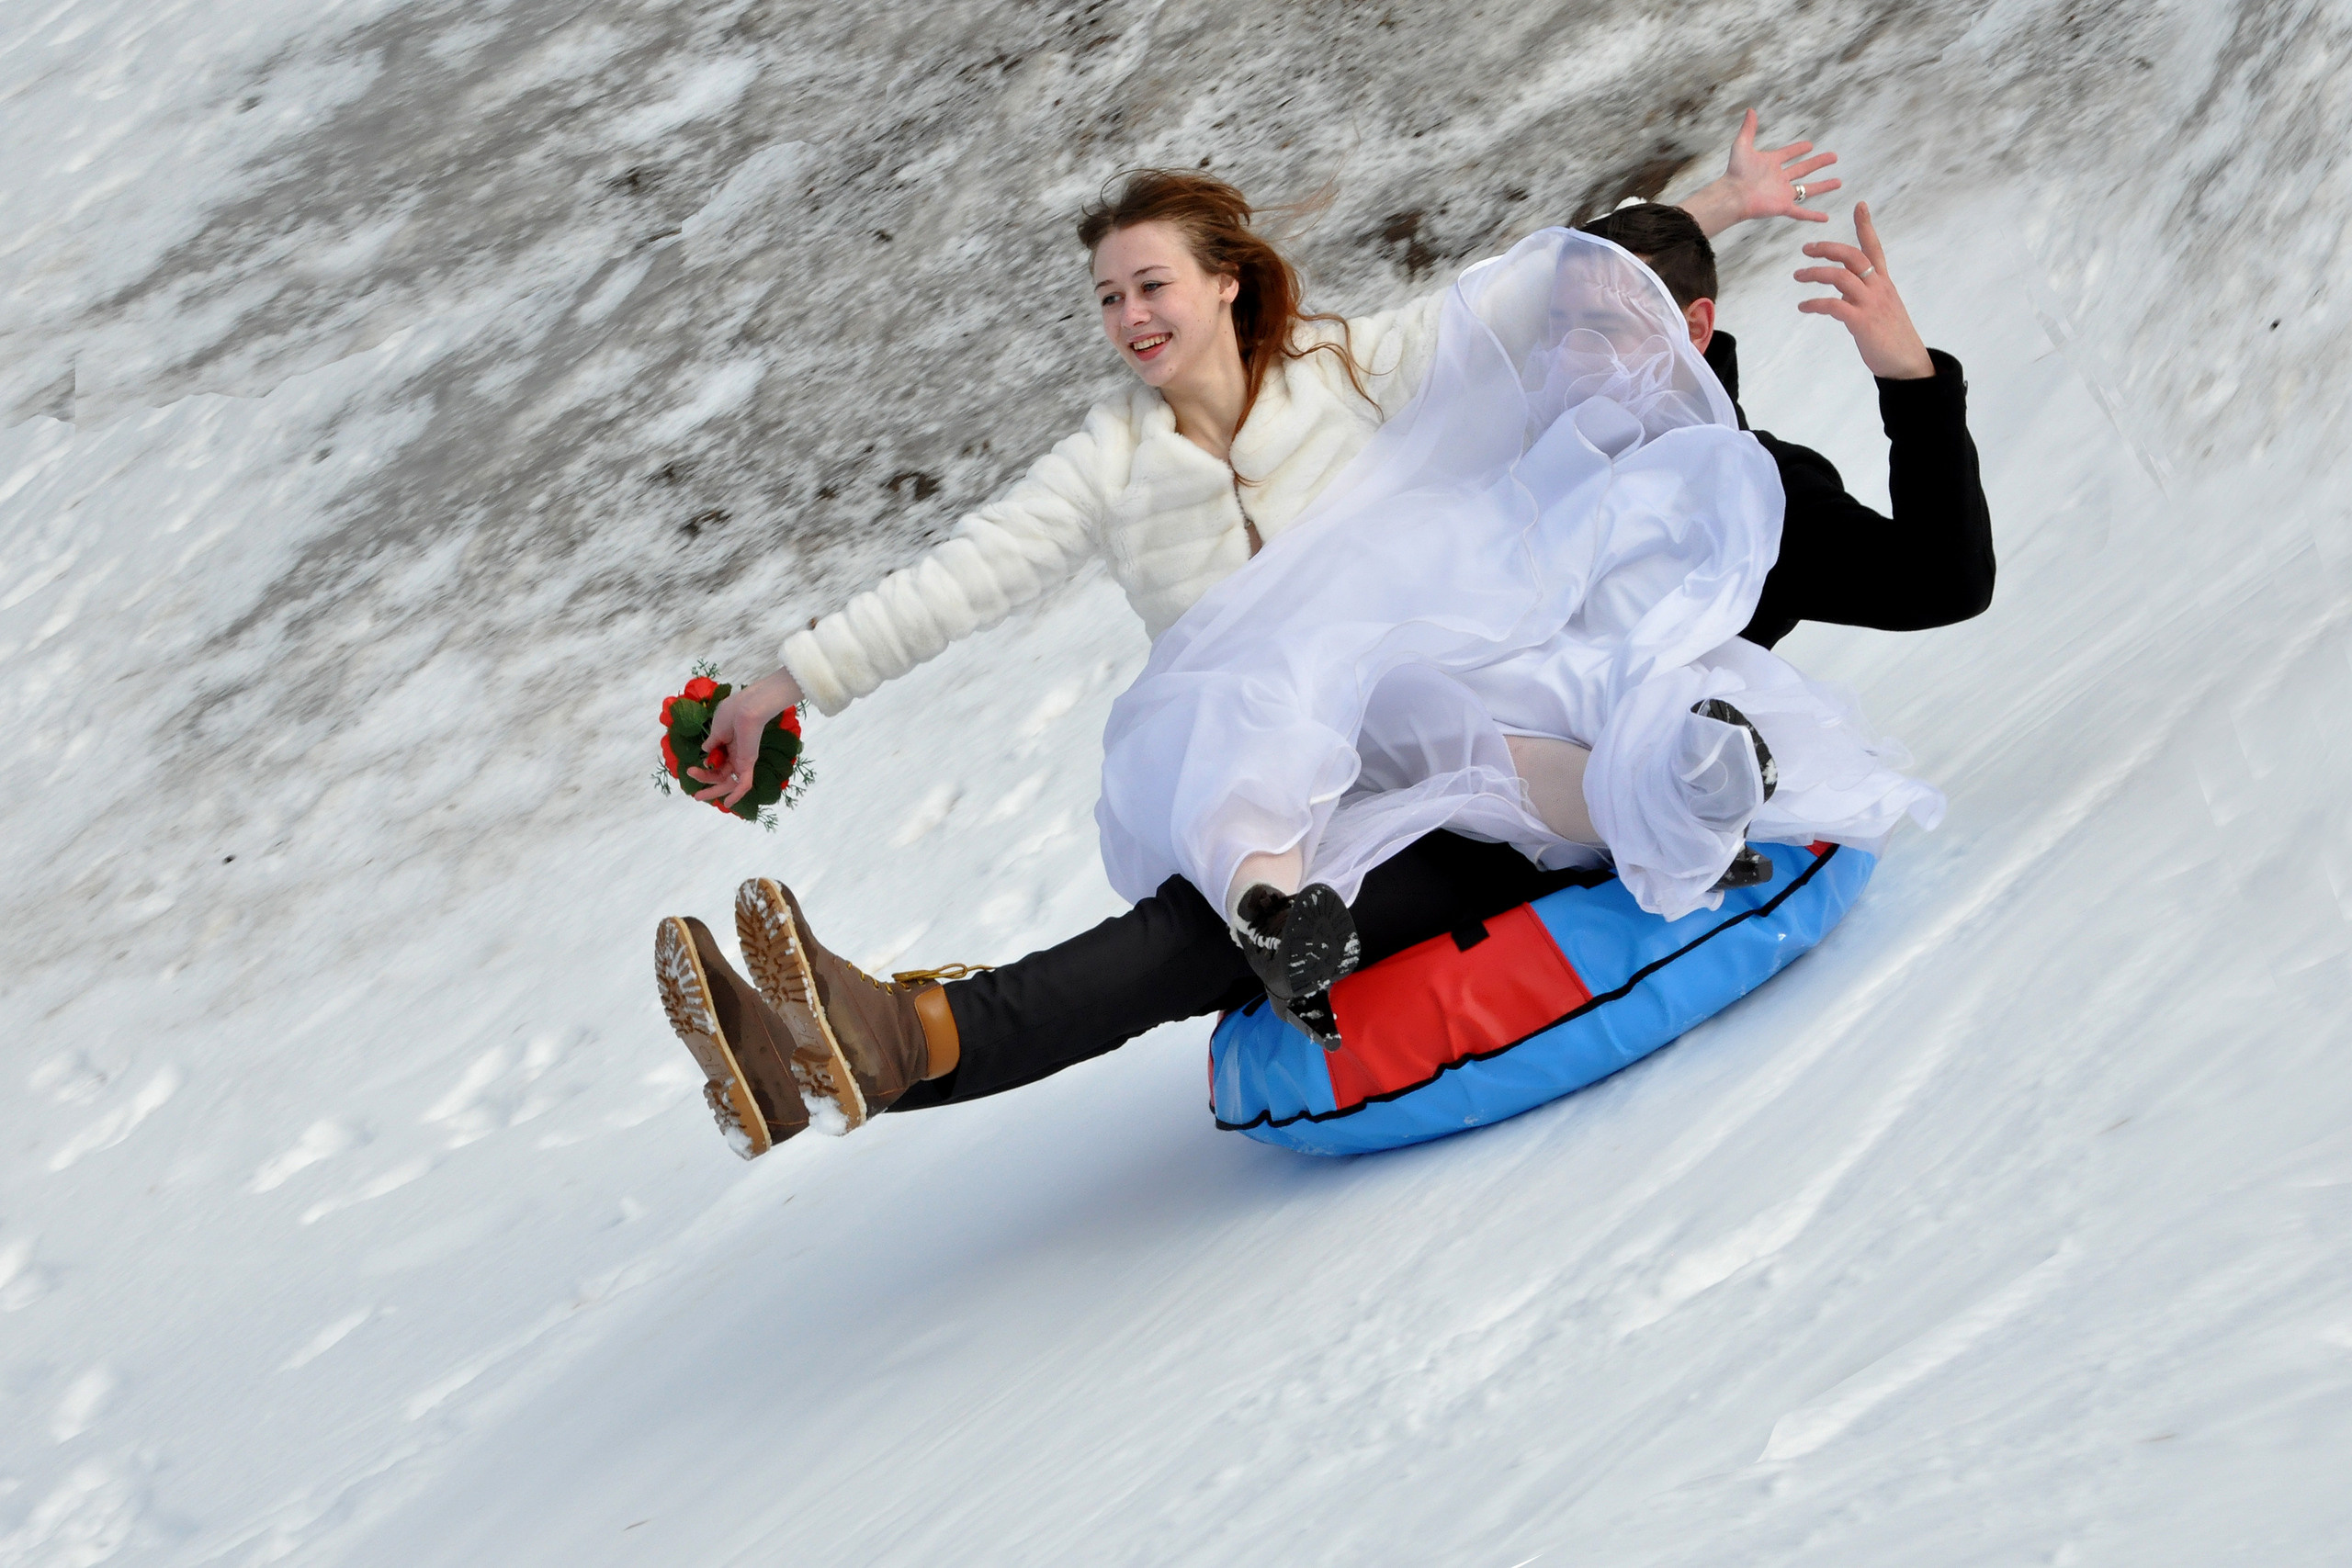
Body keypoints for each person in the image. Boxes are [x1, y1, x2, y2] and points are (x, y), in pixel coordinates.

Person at [656, 118, 1987, 1157]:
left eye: (1151, 285)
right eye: (1109, 298)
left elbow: (1573, 293)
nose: (1130, 318)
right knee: (1224, 913)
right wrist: (789, 682)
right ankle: (840, 1051)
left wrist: (1859, 331)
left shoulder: (1727, 491)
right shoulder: (1186, 455)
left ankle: (895, 1039)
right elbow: (963, 576)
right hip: (1301, 778)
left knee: (1213, 935)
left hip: (1510, 792)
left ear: (1225, 284)